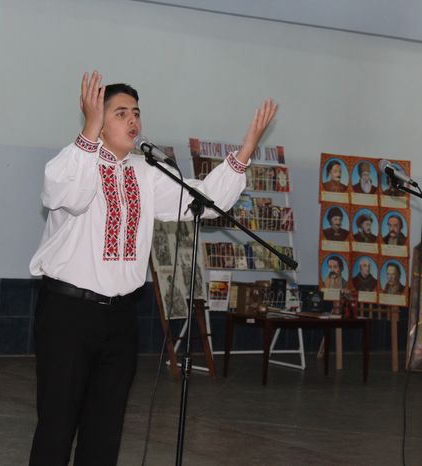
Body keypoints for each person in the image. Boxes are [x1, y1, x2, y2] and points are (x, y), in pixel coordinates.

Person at [28, 70, 277, 466]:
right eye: (120, 113)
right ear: (98, 120)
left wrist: (246, 149)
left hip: (120, 316)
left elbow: (205, 200)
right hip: (68, 313)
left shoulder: (146, 173)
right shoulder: (74, 162)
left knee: (105, 427)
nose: (132, 120)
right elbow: (67, 195)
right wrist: (88, 131)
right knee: (57, 425)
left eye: (136, 113)